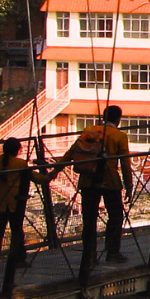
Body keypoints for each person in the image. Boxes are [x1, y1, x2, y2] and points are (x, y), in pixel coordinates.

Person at [54, 105, 133, 264]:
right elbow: (125, 163)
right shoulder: (119, 136)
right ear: (118, 119)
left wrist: (54, 171)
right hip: (109, 180)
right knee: (115, 215)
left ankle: (89, 255)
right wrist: (129, 185)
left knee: (89, 218)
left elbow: (71, 152)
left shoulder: (89, 131)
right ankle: (112, 252)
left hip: (87, 179)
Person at [0, 139, 43, 271]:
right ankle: (19, 258)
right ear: (17, 150)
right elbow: (36, 178)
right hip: (15, 203)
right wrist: (48, 174)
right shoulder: (20, 164)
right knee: (17, 231)